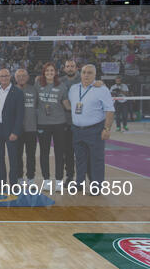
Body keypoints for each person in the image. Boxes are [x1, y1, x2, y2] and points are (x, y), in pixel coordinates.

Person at [68, 65, 115, 190]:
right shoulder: (73, 88)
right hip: (77, 130)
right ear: (80, 74)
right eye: (84, 72)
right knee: (79, 159)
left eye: (90, 73)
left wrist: (107, 129)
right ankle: (80, 184)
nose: (86, 75)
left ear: (95, 75)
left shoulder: (102, 89)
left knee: (96, 159)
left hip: (95, 130)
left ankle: (96, 186)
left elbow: (110, 110)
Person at [35, 63, 70, 191]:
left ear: (55, 72)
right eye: (47, 70)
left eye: (52, 70)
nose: (50, 72)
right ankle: (46, 181)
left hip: (59, 123)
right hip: (43, 123)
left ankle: (59, 181)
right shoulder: (38, 84)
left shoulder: (61, 86)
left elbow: (66, 104)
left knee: (59, 153)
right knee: (44, 152)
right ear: (44, 72)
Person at [0, 68, 24, 186]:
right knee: (0, 158)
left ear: (10, 77)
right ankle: (2, 182)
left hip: (11, 130)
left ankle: (13, 183)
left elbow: (20, 115)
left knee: (13, 158)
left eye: (6, 76)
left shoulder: (18, 92)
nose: (4, 78)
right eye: (1, 76)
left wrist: (15, 132)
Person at [14, 69, 37, 185]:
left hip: (31, 128)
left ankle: (31, 178)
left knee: (31, 155)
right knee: (17, 155)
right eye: (19, 76)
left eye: (24, 76)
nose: (21, 78)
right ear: (15, 77)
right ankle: (19, 177)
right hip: (16, 130)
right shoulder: (11, 90)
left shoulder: (33, 89)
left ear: (28, 77)